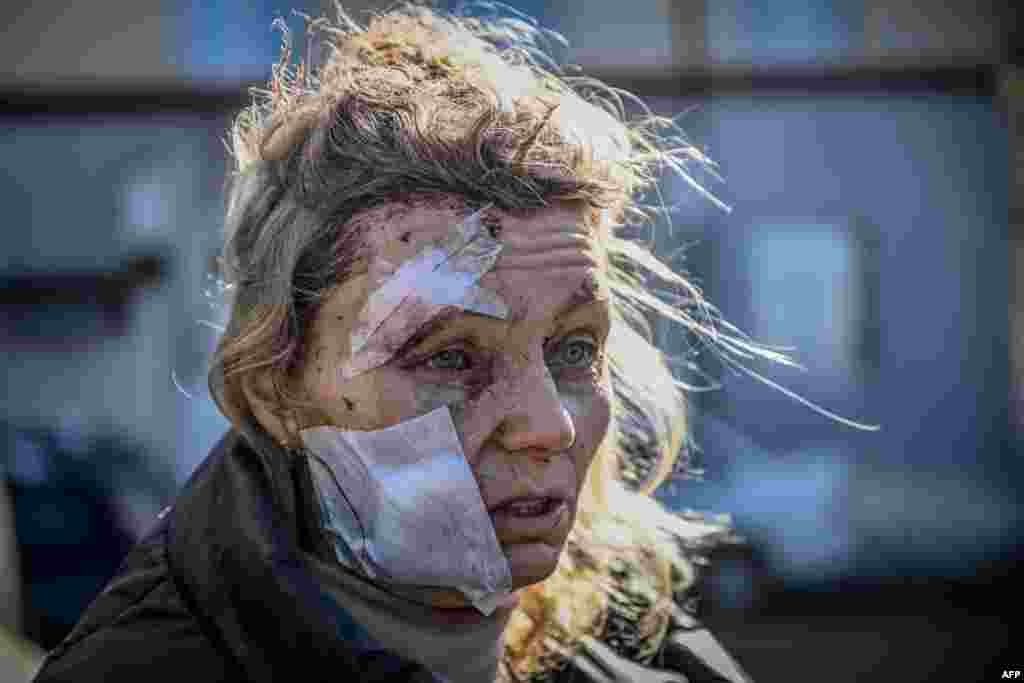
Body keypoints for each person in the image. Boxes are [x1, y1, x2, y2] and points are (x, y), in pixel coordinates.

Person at [33, 3, 765, 681]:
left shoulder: (655, 657)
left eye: (574, 349)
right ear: (276, 390)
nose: (550, 425)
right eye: (449, 357)